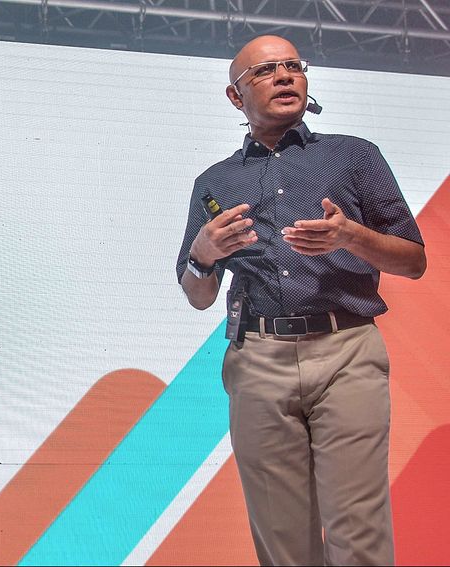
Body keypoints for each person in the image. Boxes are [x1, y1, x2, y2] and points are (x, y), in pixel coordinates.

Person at [175, 35, 426, 566]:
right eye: (266, 71)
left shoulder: (353, 156)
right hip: (257, 359)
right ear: (235, 96)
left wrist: (351, 237)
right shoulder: (214, 182)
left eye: (293, 65)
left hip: (346, 351)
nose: (285, 76)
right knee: (282, 536)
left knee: (357, 527)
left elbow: (413, 260)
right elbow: (198, 294)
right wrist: (203, 254)